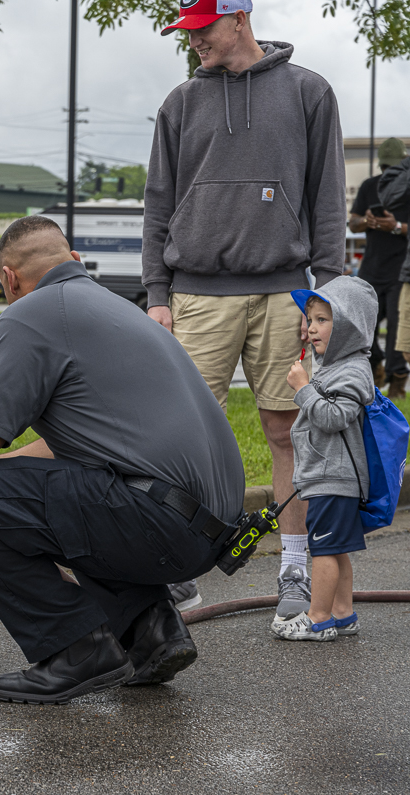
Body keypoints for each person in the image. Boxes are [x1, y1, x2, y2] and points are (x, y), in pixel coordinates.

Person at [0, 216, 245, 704]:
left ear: (8, 278)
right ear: (74, 260)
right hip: (210, 529)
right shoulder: (116, 308)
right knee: (58, 491)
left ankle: (75, 648)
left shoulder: (31, 315)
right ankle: (152, 631)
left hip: (161, 522)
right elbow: (68, 452)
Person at [142, 0, 345, 622]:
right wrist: (157, 296)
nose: (194, 41)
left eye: (202, 27)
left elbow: (327, 198)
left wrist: (326, 295)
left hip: (284, 292)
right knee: (181, 438)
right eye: (187, 30)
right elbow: (157, 202)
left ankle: (293, 568)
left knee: (289, 432)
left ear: (239, 19)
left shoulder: (309, 92)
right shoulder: (180, 102)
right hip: (197, 295)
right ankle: (176, 568)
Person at [273, 278, 377, 641]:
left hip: (334, 477)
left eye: (322, 320)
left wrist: (303, 388)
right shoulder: (336, 366)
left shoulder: (353, 370)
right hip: (328, 476)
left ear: (349, 326)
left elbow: (334, 418)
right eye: (311, 319)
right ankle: (343, 614)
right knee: (336, 548)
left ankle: (317, 619)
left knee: (323, 551)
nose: (312, 328)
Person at [348, 138, 408, 398]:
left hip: (400, 270)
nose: (388, 172)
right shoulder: (369, 186)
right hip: (371, 269)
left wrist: (397, 227)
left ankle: (397, 382)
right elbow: (353, 222)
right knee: (363, 324)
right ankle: (375, 365)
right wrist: (367, 221)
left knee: (396, 326)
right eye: (386, 167)